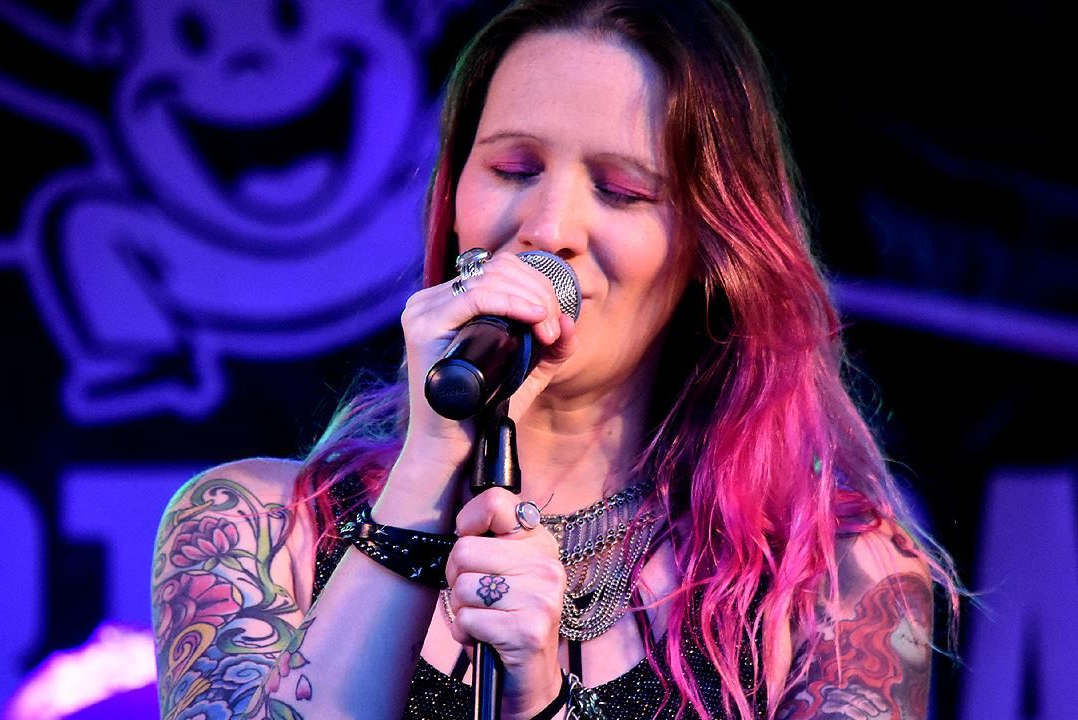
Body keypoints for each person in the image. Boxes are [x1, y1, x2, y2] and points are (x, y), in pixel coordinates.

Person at [151, 1, 960, 718]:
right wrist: (427, 474)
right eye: (514, 169)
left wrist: (540, 704)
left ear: (708, 245)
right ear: (452, 197)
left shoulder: (834, 583)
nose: (547, 228)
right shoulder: (255, 528)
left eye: (621, 191)